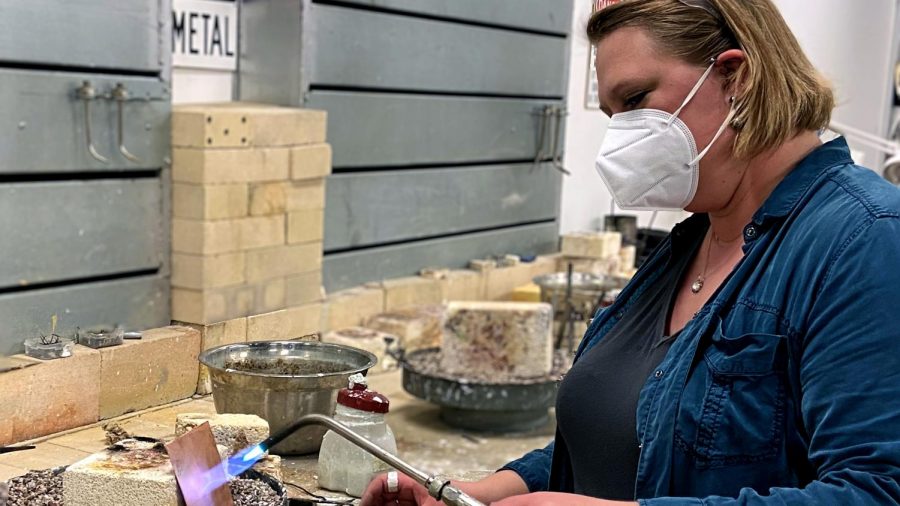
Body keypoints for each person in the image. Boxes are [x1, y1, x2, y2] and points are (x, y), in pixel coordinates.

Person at [361, 0, 900, 504]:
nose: (620, 138)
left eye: (636, 100)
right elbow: (617, 441)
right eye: (612, 113)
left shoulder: (865, 239)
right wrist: (473, 493)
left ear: (737, 78)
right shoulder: (690, 242)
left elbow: (877, 490)